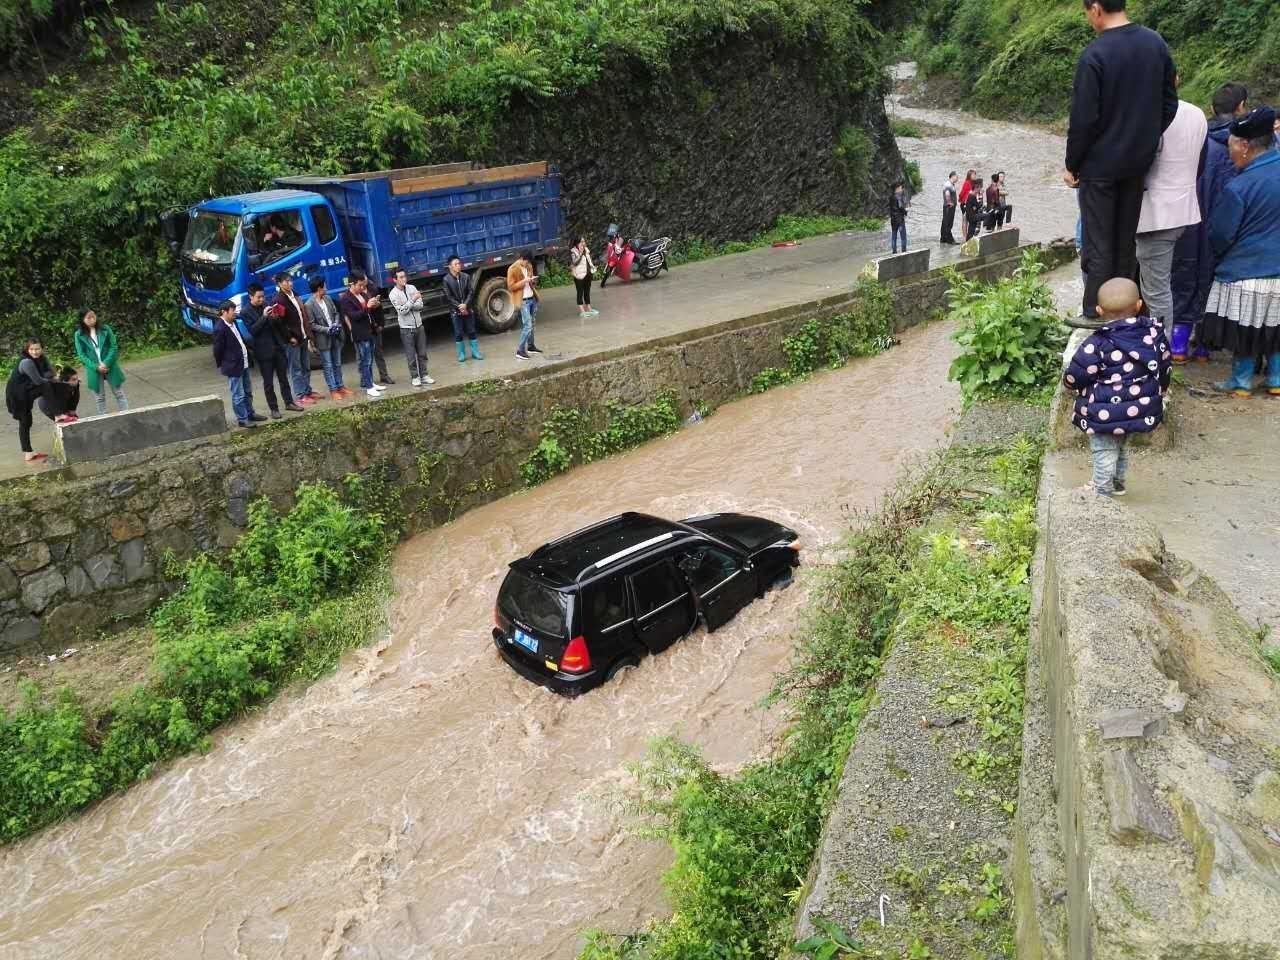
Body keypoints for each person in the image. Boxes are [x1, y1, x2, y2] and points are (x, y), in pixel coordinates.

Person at [1063, 0, 1178, 322]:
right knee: (1126, 242)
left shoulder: (1095, 55)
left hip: (1099, 168)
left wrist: (1073, 164)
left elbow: (1084, 120)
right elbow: (1169, 104)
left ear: (1096, 8)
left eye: (1088, 13)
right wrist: (1145, 138)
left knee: (1098, 245)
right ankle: (1128, 313)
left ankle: (1094, 314)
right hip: (1136, 165)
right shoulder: (1155, 43)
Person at [1063, 277, 1171, 497]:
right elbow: (1164, 367)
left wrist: (1068, 383)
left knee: (1104, 448)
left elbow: (1078, 373)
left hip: (1104, 410)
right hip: (1139, 407)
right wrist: (1162, 389)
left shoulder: (1098, 342)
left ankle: (1101, 489)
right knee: (1120, 445)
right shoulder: (1153, 337)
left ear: (1100, 310)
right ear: (1139, 305)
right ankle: (1118, 483)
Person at [1200, 107, 1280, 397]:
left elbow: (1220, 234)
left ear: (1245, 146)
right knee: (1275, 327)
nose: (1229, 150)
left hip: (1247, 270)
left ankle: (1242, 380)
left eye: (1231, 144)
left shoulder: (1239, 186)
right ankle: (1276, 380)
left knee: (1244, 329)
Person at [1170, 82, 1250, 362]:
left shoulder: (1193, 136)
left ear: (1212, 109)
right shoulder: (1244, 147)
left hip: (1184, 219)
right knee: (1213, 283)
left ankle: (1177, 346)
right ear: (1241, 108)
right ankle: (1204, 348)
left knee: (1180, 278)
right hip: (1223, 229)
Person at [1134, 87, 1207, 338]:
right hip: (1182, 207)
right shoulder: (1196, 113)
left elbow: (1139, 162)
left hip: (1156, 213)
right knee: (1158, 285)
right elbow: (1201, 162)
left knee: (1156, 290)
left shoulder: (1151, 113)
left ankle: (1158, 352)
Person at [242, 282, 301, 419]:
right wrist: (264, 317)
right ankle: (273, 408)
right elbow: (253, 331)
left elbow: (278, 325)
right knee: (268, 382)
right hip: (263, 351)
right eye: (259, 297)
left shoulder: (266, 305)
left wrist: (276, 317)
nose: (262, 299)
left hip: (278, 347)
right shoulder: (245, 312)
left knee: (284, 378)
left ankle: (289, 402)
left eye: (263, 296)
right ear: (251, 297)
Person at [212, 300, 265, 428]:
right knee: (238, 394)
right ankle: (242, 418)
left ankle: (250, 413)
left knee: (247, 391)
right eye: (232, 310)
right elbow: (217, 350)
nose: (235, 313)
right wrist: (224, 364)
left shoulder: (233, 323)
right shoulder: (220, 328)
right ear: (224, 312)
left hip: (244, 362)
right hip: (233, 366)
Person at [274, 272, 320, 406]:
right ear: (279, 284)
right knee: (296, 368)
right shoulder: (279, 300)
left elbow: (303, 315)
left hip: (303, 336)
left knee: (306, 366)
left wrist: (307, 333)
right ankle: (300, 395)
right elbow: (279, 323)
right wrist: (289, 337)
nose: (290, 283)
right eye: (286, 281)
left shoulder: (295, 295)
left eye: (290, 280)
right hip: (293, 340)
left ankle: (307, 391)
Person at [72, 308, 128, 415]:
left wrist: (106, 363)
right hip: (94, 369)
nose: (92, 319)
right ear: (82, 319)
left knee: (119, 394)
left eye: (93, 316)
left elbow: (113, 347)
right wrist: (96, 367)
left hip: (110, 366)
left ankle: (126, 414)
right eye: (89, 317)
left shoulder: (105, 329)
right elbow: (82, 355)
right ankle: (103, 419)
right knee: (99, 398)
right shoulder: (78, 334)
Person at [5, 339, 53, 462]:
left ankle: (28, 453)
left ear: (41, 349)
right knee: (25, 421)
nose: (35, 352)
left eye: (37, 349)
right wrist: (50, 378)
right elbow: (39, 381)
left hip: (26, 391)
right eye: (31, 349)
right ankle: (58, 414)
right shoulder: (26, 362)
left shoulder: (42, 358)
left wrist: (48, 376)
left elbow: (50, 371)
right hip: (17, 395)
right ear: (27, 350)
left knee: (26, 421)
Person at [339, 271, 386, 397]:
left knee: (370, 359)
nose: (362, 288)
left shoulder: (363, 295)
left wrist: (374, 304)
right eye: (359, 285)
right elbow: (354, 316)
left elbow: (369, 310)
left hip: (370, 330)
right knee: (365, 360)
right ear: (352, 284)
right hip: (360, 333)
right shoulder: (346, 299)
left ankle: (370, 382)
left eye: (363, 285)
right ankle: (369, 386)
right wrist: (367, 307)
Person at [306, 276, 350, 399]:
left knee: (337, 363)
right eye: (324, 286)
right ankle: (333, 389)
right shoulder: (309, 304)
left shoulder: (328, 298)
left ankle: (341, 386)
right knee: (328, 365)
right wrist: (327, 329)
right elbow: (312, 324)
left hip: (335, 336)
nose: (326, 288)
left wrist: (335, 324)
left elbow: (336, 313)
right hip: (323, 339)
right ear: (319, 288)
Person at [389, 268, 436, 385]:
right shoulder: (393, 294)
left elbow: (420, 305)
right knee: (410, 355)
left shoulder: (412, 288)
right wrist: (412, 300)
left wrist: (409, 304)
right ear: (395, 280)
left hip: (419, 326)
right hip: (406, 329)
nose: (404, 279)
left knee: (422, 353)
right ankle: (415, 377)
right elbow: (401, 310)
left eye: (404, 276)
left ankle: (424, 375)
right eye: (401, 277)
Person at [443, 255, 484, 363]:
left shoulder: (466, 277)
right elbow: (449, 297)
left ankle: (475, 352)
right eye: (455, 264)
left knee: (471, 331)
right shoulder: (446, 280)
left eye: (459, 263)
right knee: (458, 333)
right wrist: (459, 306)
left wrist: (465, 304)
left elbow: (471, 292)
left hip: (468, 308)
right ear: (450, 266)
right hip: (456, 311)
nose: (458, 266)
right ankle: (461, 354)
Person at [508, 250, 541, 360]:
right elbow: (511, 287)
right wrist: (524, 281)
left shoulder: (529, 266)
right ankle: (520, 350)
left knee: (532, 323)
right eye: (526, 262)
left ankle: (531, 346)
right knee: (527, 325)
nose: (527, 264)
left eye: (528, 263)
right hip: (523, 300)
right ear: (521, 258)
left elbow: (530, 282)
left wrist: (532, 280)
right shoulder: (513, 269)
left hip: (532, 298)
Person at [570, 238, 599, 315]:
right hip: (579, 275)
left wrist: (593, 267)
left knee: (587, 291)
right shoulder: (573, 251)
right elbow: (574, 263)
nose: (583, 243)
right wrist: (580, 253)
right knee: (580, 292)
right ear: (577, 243)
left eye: (584, 241)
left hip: (588, 273)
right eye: (581, 241)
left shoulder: (586, 249)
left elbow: (589, 260)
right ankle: (582, 311)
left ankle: (589, 308)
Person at [889, 181, 909, 252]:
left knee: (894, 237)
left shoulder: (891, 197)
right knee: (903, 237)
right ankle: (904, 251)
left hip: (893, 220)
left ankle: (894, 251)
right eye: (900, 188)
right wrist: (906, 211)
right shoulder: (898, 197)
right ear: (896, 188)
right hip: (900, 220)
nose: (901, 189)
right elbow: (900, 207)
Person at [964, 176, 986, 242]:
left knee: (973, 229)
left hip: (974, 213)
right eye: (981, 184)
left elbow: (977, 205)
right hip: (973, 214)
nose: (982, 186)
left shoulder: (975, 193)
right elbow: (977, 205)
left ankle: (970, 241)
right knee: (974, 228)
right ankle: (969, 241)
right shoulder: (973, 194)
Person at [958, 169, 978, 239]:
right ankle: (964, 236)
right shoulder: (967, 183)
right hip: (965, 204)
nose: (975, 176)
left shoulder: (974, 184)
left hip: (971, 204)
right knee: (965, 219)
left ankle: (969, 235)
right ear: (969, 175)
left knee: (971, 220)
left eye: (975, 174)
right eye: (973, 174)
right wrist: (961, 200)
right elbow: (962, 193)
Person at [941, 171, 959, 244]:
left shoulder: (950, 184)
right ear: (953, 176)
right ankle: (950, 240)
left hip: (947, 206)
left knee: (945, 222)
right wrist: (949, 202)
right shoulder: (948, 185)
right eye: (957, 177)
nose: (957, 178)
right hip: (949, 207)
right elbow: (947, 194)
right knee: (948, 223)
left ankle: (943, 238)